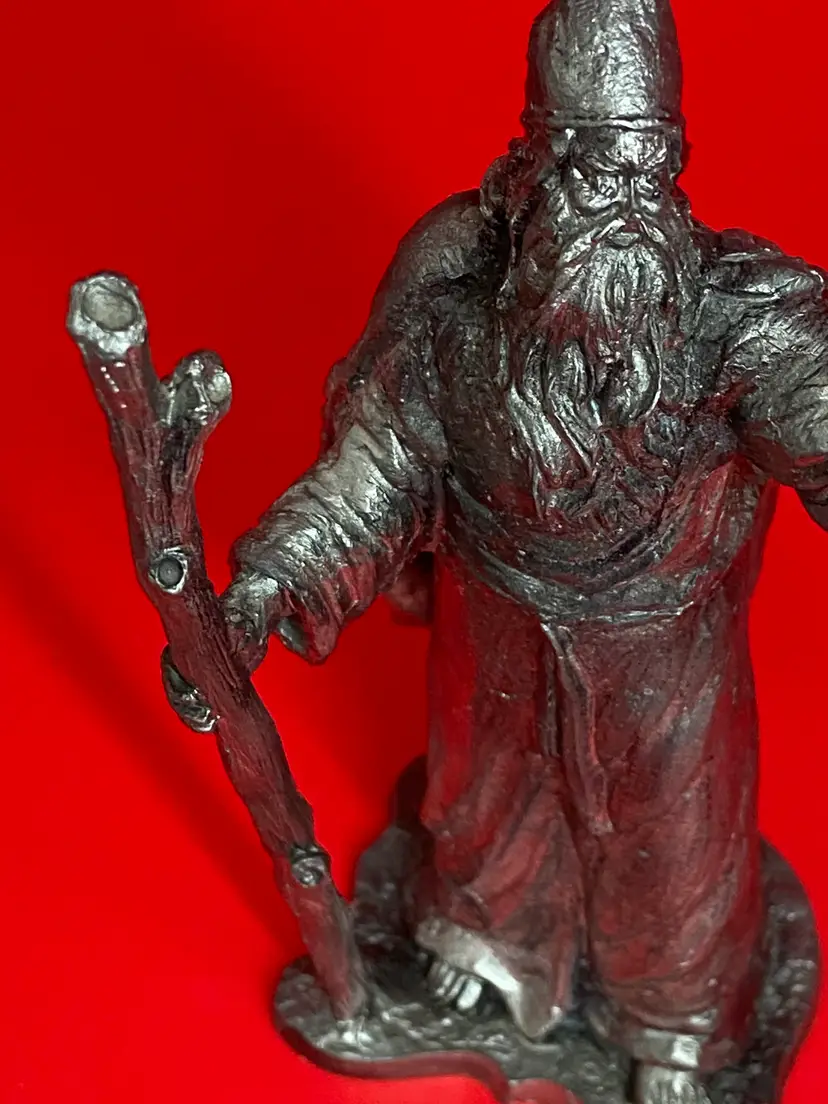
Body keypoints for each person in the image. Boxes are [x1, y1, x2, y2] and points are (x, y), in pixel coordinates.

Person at [165, 2, 828, 1101]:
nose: (626, 204)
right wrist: (267, 585)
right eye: (594, 172)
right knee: (486, 813)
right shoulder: (457, 316)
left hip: (665, 652)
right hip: (498, 619)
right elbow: (373, 473)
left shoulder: (727, 318)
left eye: (649, 173)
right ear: (533, 172)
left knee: (674, 845)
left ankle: (674, 1028)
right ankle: (484, 956)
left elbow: (812, 391)